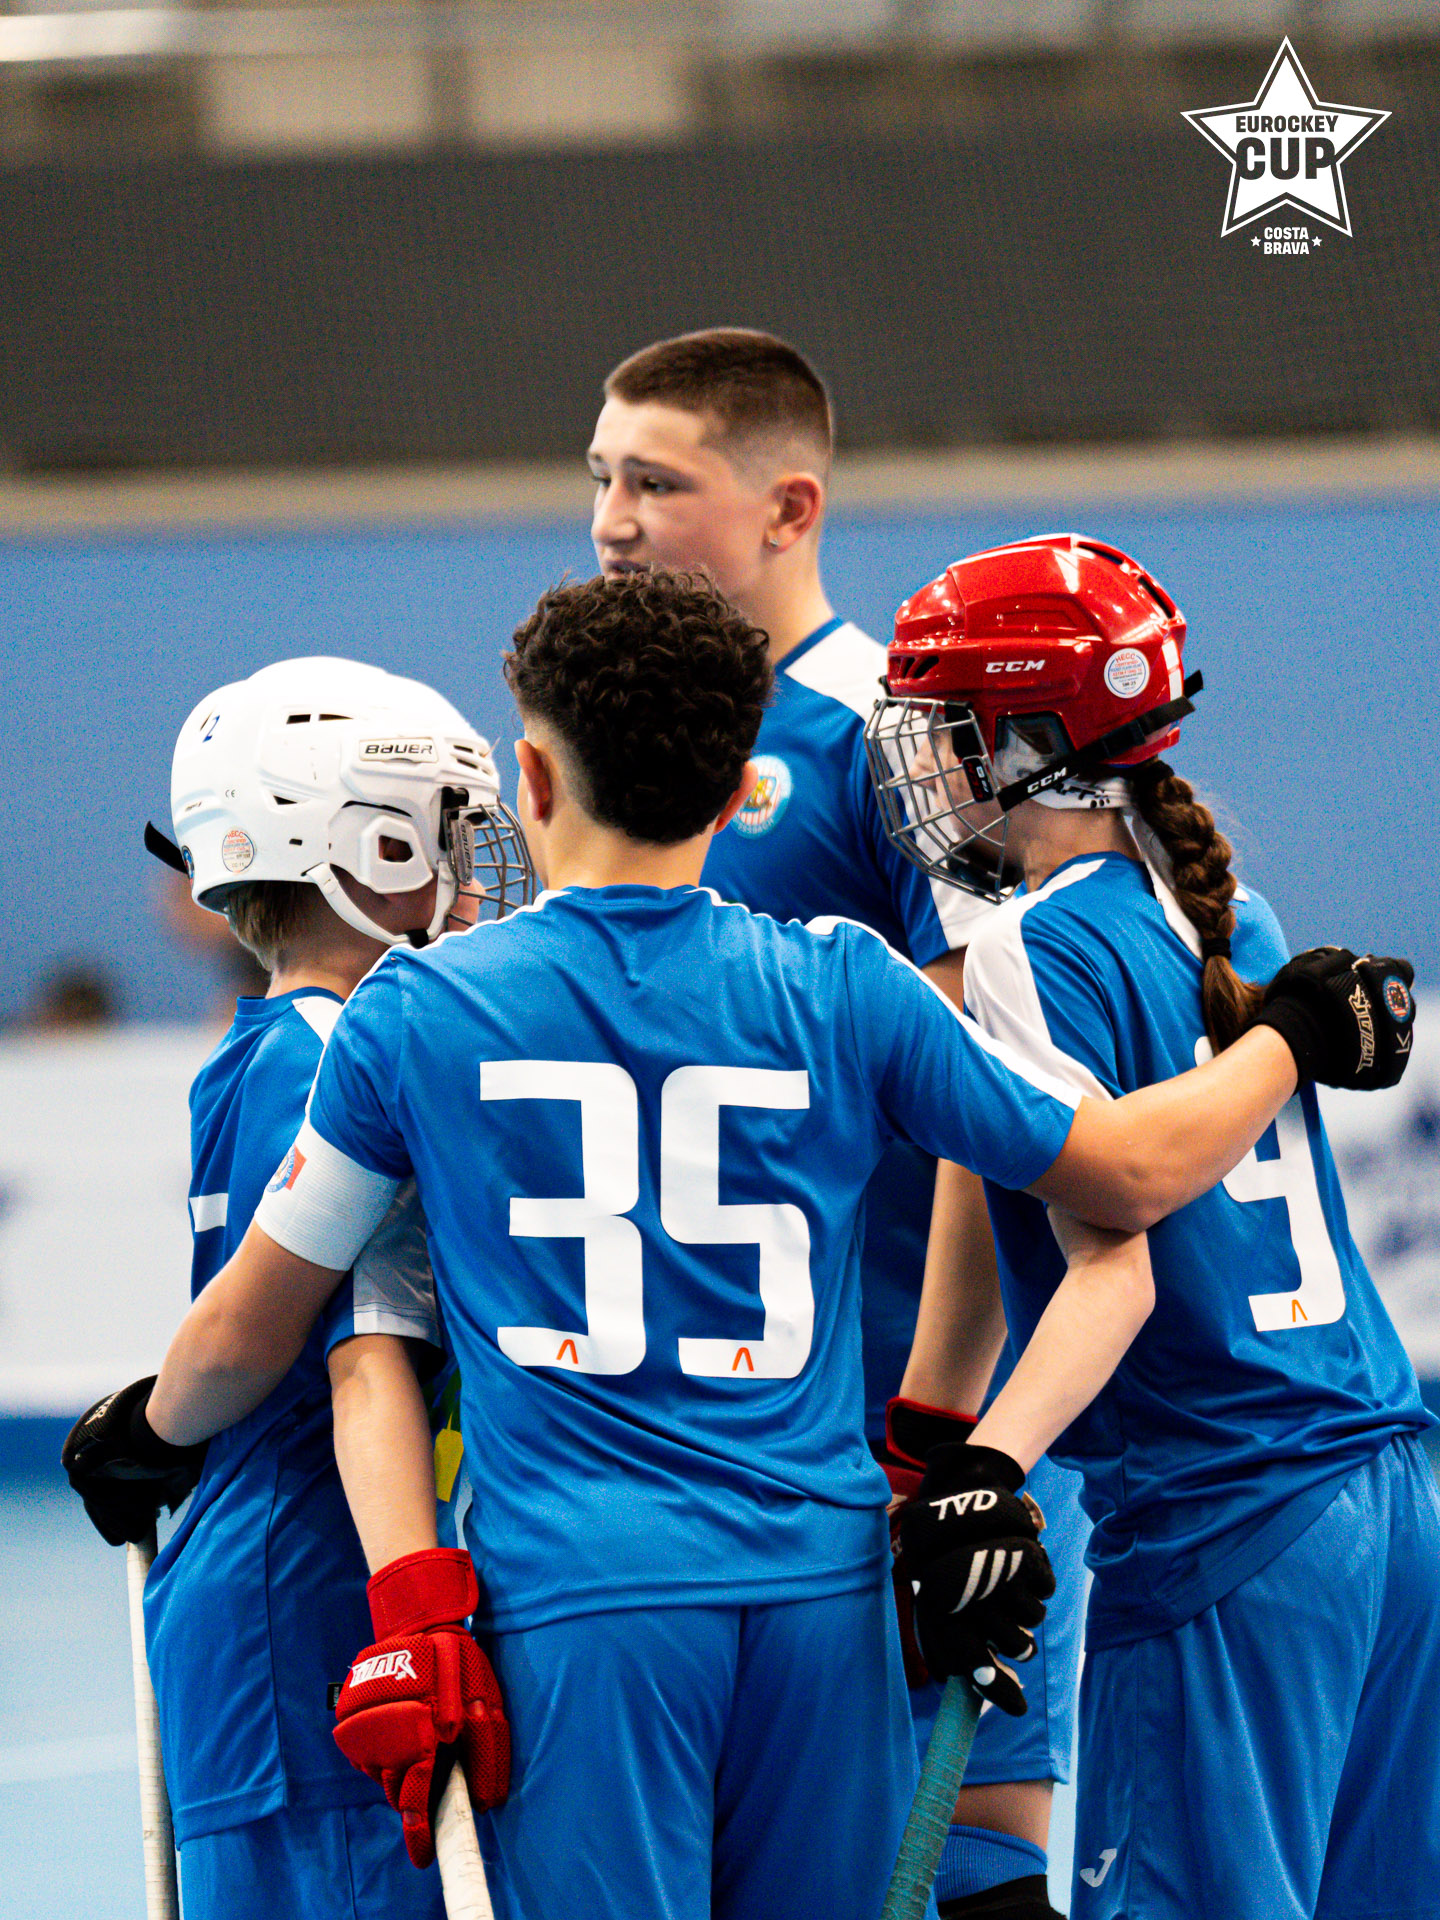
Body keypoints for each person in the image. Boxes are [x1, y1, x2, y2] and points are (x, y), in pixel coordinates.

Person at [93, 570, 1410, 1920]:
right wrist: (1286, 1038)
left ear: (531, 781)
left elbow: (266, 1322)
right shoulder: (849, 982)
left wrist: (151, 1426)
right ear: (737, 797)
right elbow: (1116, 1174)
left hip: (587, 1607)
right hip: (824, 1603)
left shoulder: (415, 1010)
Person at [588, 326, 1086, 1916]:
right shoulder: (627, 740)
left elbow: (989, 1056)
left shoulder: (891, 727)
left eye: (654, 484)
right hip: (711, 1434)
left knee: (967, 1832)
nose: (610, 520)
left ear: (790, 507)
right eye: (599, 478)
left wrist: (938, 1424)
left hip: (897, 1398)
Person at [864, 532, 1432, 1920]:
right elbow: (994, 1176)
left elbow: (1110, 1258)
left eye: (947, 726)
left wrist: (989, 1471)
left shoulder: (1021, 946)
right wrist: (936, 1435)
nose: (923, 761)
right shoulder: (1229, 909)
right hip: (1385, 1491)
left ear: (1028, 742)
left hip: (1222, 1519)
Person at [62, 656, 531, 1920]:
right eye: (441, 836)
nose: (470, 871)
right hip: (307, 1601)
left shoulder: (276, 1046)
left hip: (285, 1591)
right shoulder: (333, 1052)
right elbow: (317, 1344)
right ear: (357, 847)